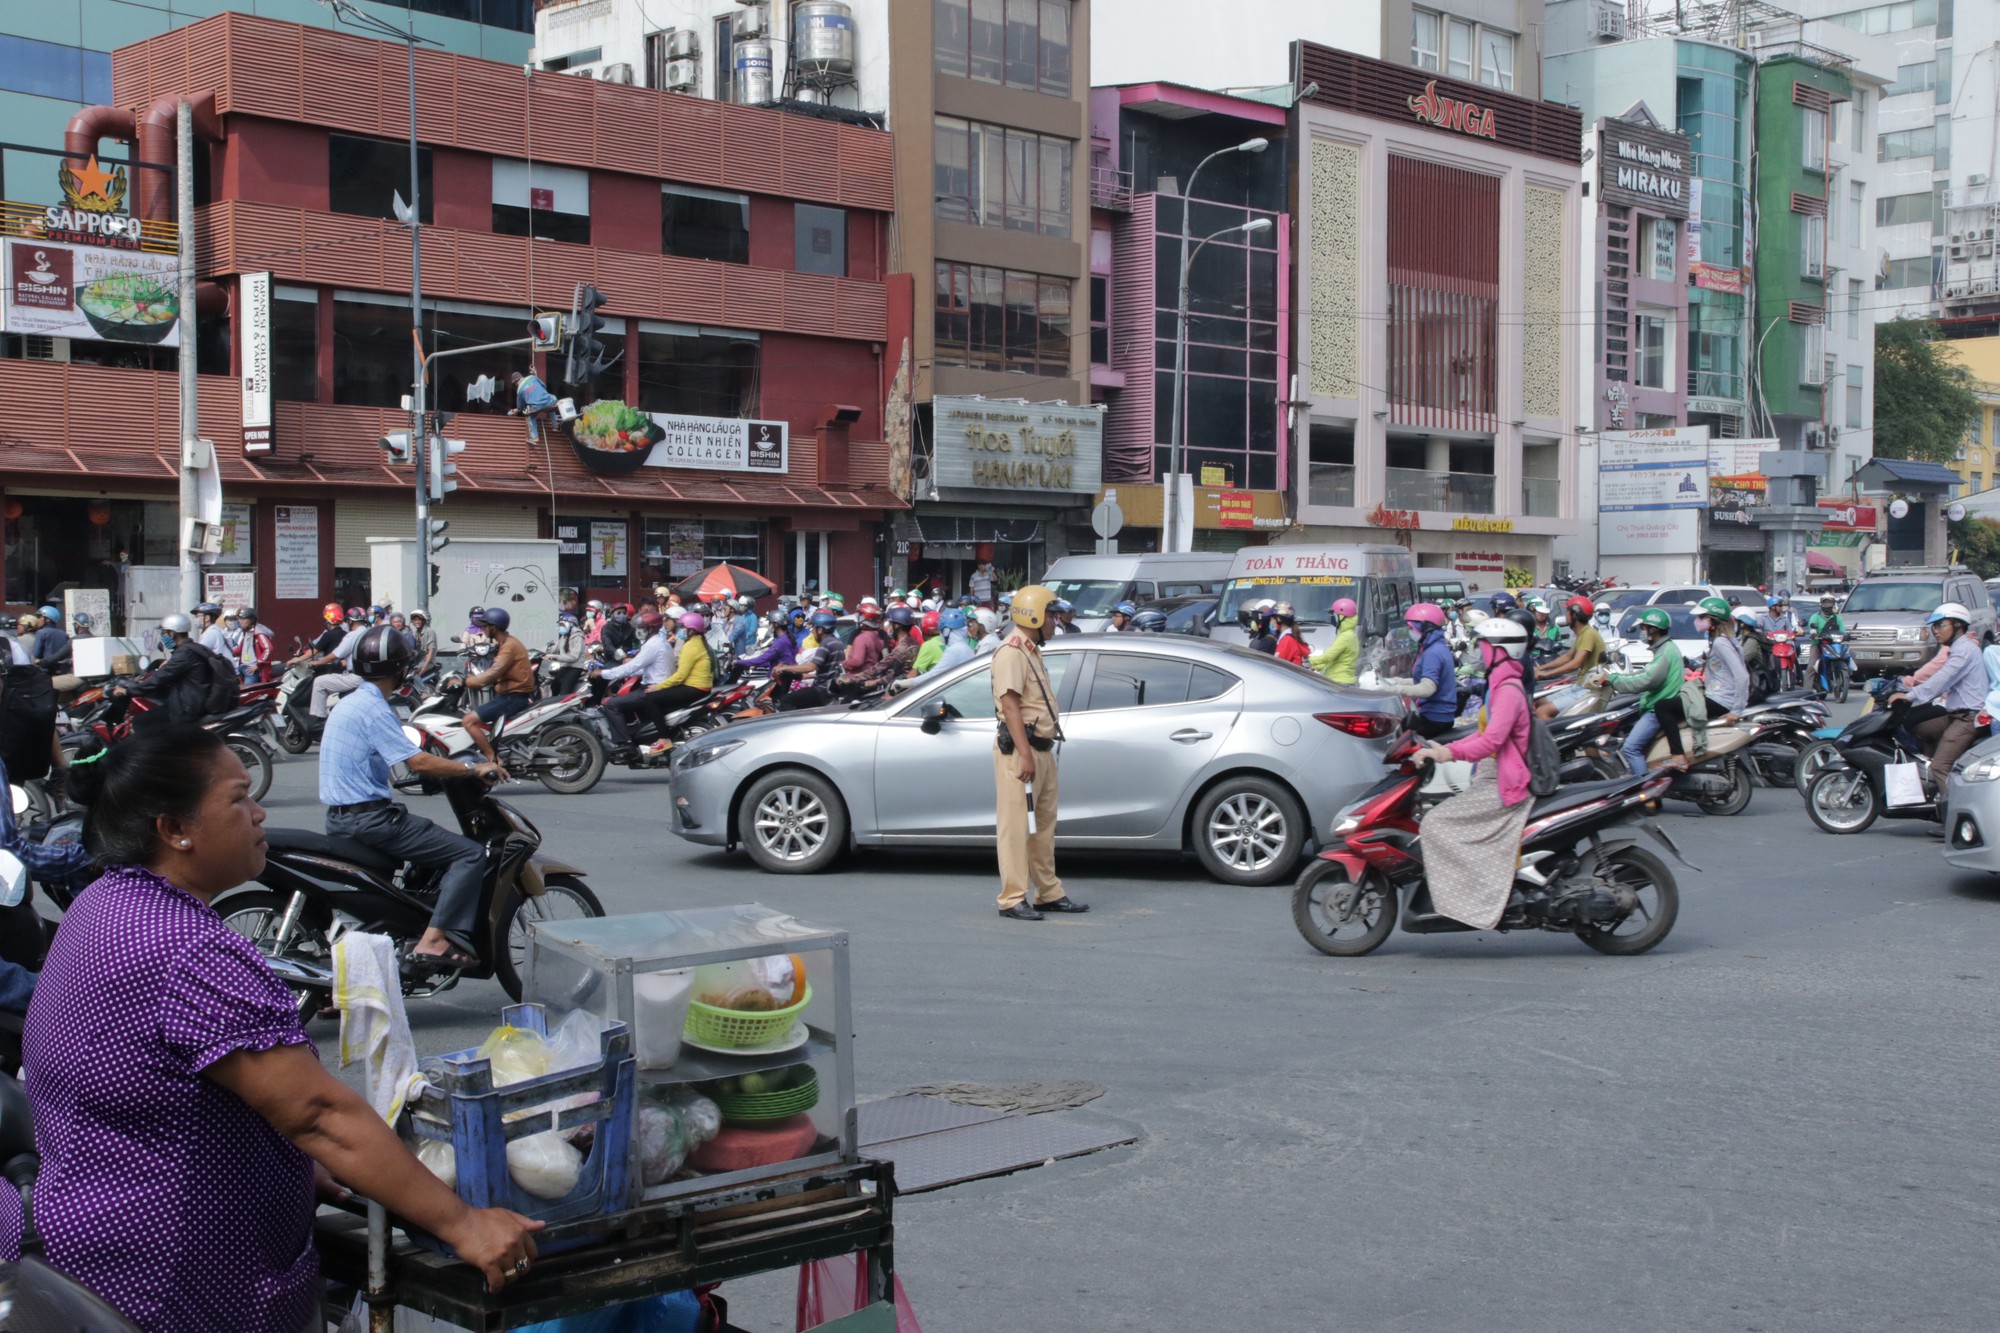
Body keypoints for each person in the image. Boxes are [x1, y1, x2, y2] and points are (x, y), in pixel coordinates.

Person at [5, 725, 539, 1330]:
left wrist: (281, 1162)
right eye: (237, 799)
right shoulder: (188, 951)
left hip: (95, 1243)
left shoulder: (104, 903)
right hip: (180, 1279)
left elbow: (152, 1083)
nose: (259, 812)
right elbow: (317, 1114)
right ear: (174, 830)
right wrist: (464, 1224)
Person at [1412, 618, 1535, 930]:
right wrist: (1445, 744)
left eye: (1482, 645)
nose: (1477, 652)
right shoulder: (1499, 684)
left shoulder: (1507, 689)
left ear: (1500, 650)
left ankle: (1473, 901)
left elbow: (1492, 742)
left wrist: (1445, 754)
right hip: (1491, 774)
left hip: (1502, 780)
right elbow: (1484, 734)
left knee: (1435, 824)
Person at [990, 586, 1085, 922]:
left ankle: (1048, 892)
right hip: (1022, 750)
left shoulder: (1031, 649)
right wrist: (1026, 754)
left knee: (1043, 827)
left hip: (1041, 749)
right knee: (1016, 827)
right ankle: (1012, 898)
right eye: (1052, 616)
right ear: (1034, 615)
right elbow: (1010, 705)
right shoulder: (1013, 651)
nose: (1056, 623)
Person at [1890, 602, 1986, 789]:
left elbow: (1942, 678)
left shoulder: (1964, 650)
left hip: (1968, 718)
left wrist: (1909, 696)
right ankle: (1930, 782)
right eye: (1934, 626)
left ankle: (1949, 807)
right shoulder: (1957, 647)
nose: (1936, 631)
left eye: (1941, 625)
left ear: (1957, 625)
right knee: (1922, 729)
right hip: (1956, 714)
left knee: (1940, 766)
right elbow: (1937, 675)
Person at [1605, 607, 1705, 775]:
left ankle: (1644, 792)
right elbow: (1644, 673)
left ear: (1654, 630)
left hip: (1656, 708)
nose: (1641, 633)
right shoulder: (1664, 649)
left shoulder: (1666, 651)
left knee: (1630, 748)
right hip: (1656, 701)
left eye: (1643, 629)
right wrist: (1616, 676)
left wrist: (1614, 681)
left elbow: (1647, 679)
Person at [458, 607, 535, 770]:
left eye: (484, 626)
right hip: (507, 694)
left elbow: (491, 675)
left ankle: (493, 759)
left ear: (493, 627)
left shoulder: (509, 646)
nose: (482, 629)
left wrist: (466, 682)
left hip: (512, 697)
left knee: (468, 721)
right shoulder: (504, 643)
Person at [114, 614, 219, 730]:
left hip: (186, 707)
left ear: (172, 633)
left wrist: (129, 690)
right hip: (193, 700)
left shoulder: (184, 653)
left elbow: (159, 678)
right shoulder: (191, 649)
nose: (163, 637)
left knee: (140, 721)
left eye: (164, 633)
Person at [594, 608, 677, 750]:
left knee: (611, 704)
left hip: (653, 688)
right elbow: (641, 669)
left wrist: (603, 673)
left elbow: (630, 668)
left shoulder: (652, 645)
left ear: (650, 629)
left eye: (641, 628)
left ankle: (625, 743)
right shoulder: (660, 642)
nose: (638, 631)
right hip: (659, 685)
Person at [1384, 603, 1459, 739]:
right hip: (1438, 716)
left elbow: (1428, 687)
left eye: (1411, 628)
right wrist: (1397, 681)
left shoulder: (1433, 652)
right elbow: (1425, 678)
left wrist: (1397, 689)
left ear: (1425, 627)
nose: (1409, 631)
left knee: (1393, 739)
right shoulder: (1435, 647)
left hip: (1435, 718)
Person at [1532, 597, 1606, 718]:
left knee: (1542, 712)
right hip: (1581, 684)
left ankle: (1555, 737)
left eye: (1567, 612)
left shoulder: (1588, 634)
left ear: (1575, 615)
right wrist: (1540, 669)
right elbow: (1567, 657)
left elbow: (1576, 663)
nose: (1565, 615)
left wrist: (1545, 674)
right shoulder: (1583, 633)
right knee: (1540, 702)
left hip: (1589, 688)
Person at [1694, 596, 1748, 722]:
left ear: (1712, 621)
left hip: (1721, 699)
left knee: (1663, 707)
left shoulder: (1720, 642)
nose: (1697, 621)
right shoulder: (1726, 640)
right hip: (1718, 696)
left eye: (1702, 617)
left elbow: (1742, 676)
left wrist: (1736, 710)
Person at [306, 613, 369, 720]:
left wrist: (317, 663)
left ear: (350, 621)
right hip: (368, 676)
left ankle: (319, 720)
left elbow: (336, 654)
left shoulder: (353, 635)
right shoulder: (369, 632)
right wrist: (342, 663)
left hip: (355, 677)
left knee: (319, 682)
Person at [852, 606, 919, 690]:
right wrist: (877, 681)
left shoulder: (902, 648)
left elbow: (881, 666)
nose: (889, 628)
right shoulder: (913, 642)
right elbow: (896, 672)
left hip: (899, 688)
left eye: (890, 624)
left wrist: (854, 678)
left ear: (897, 626)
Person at [1310, 597, 1361, 684]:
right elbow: (1336, 659)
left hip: (1339, 681)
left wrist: (1308, 660)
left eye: (1334, 616)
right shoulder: (1351, 634)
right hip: (1345, 680)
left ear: (1342, 617)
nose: (1332, 619)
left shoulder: (1345, 637)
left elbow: (1329, 657)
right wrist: (1318, 666)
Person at [507, 368, 559, 446]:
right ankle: (555, 426)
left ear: (515, 381)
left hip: (536, 407)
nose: (515, 384)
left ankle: (535, 437)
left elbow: (520, 407)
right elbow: (543, 385)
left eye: (514, 383)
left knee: (530, 417)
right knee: (553, 402)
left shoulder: (519, 390)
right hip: (547, 401)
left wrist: (516, 410)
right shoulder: (532, 377)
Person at [545, 609, 588, 696]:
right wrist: (544, 650)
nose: (561, 627)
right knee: (554, 686)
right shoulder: (564, 636)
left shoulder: (578, 637)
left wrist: (553, 657)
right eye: (560, 624)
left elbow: (573, 657)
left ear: (571, 624)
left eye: (562, 624)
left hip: (574, 668)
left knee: (565, 691)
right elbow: (554, 649)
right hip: (565, 667)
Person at [842, 604, 888, 684]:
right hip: (870, 678)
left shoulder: (862, 638)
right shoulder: (876, 636)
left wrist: (844, 664)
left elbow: (856, 662)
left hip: (856, 680)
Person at [235, 607, 276, 684]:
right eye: (240, 619)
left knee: (247, 693)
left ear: (252, 620)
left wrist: (258, 665)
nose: (241, 621)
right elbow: (240, 649)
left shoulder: (259, 633)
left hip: (252, 670)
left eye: (244, 619)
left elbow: (268, 649)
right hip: (242, 667)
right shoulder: (247, 632)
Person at [29, 606, 70, 674]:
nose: (37, 619)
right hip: (62, 670)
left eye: (40, 617)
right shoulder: (64, 634)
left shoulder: (41, 633)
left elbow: (36, 653)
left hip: (46, 670)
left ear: (48, 620)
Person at [933, 608, 975, 673]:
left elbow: (934, 675)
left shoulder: (953, 650)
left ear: (945, 631)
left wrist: (913, 681)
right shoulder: (963, 646)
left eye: (941, 631)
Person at [409, 608, 437, 678]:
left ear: (423, 620)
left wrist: (425, 666)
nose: (417, 622)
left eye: (419, 620)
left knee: (414, 673)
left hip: (428, 662)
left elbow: (431, 650)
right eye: (414, 620)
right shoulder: (415, 633)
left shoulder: (430, 631)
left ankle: (421, 689)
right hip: (418, 661)